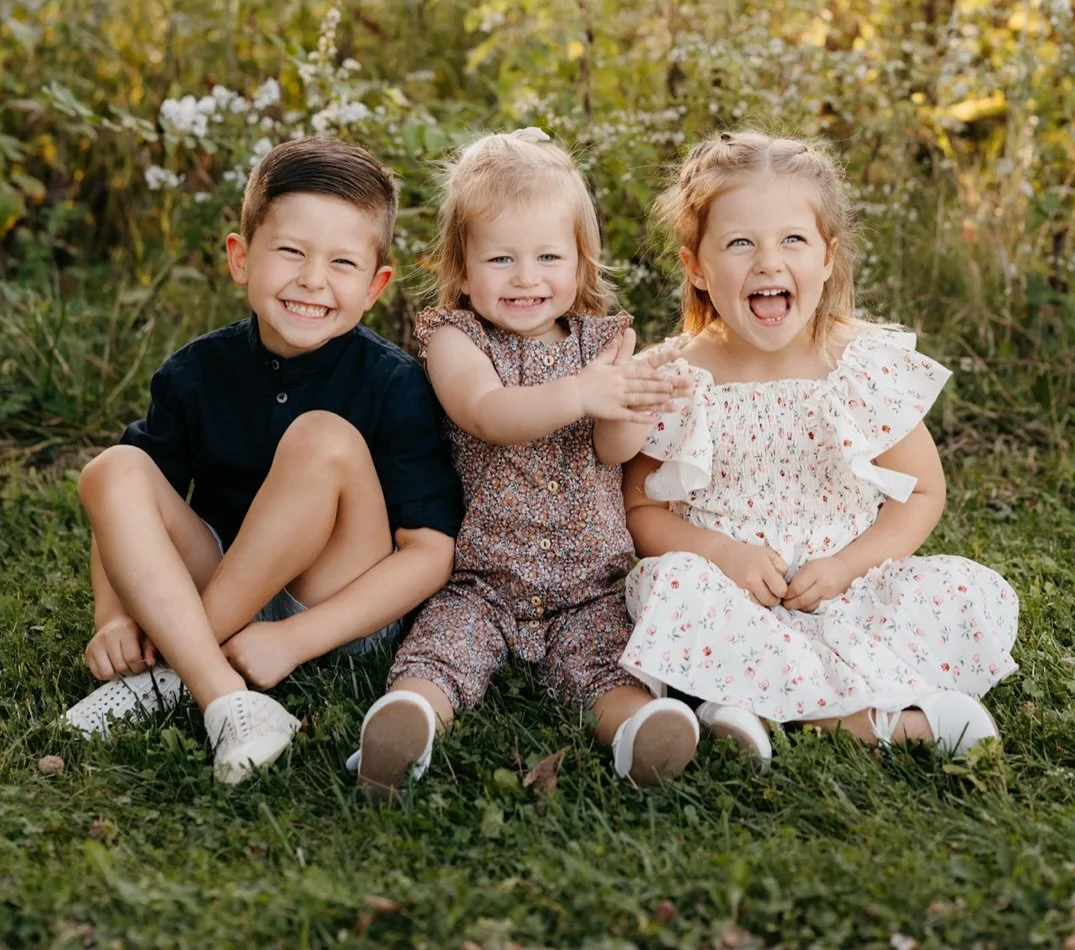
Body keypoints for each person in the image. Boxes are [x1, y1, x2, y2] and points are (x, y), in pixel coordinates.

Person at [64, 136, 463, 784]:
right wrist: (111, 617)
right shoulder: (195, 371)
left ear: (374, 286)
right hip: (222, 574)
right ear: (240, 257)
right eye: (291, 252)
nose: (313, 279)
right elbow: (125, 510)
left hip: (330, 598)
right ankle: (224, 696)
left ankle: (170, 669)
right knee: (113, 468)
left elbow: (429, 553)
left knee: (321, 439)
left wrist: (293, 640)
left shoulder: (395, 383)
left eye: (342, 262)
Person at [620, 130, 1019, 767]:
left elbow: (922, 490)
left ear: (828, 257)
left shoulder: (856, 365)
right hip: (733, 593)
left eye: (793, 240)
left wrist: (846, 568)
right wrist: (720, 553)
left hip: (848, 584)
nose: (768, 263)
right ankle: (879, 724)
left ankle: (746, 708)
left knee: (963, 592)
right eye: (740, 243)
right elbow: (640, 506)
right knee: (670, 586)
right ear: (695, 266)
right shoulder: (679, 377)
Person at [347, 128, 700, 800]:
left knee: (607, 665)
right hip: (484, 576)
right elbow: (487, 412)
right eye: (501, 258)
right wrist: (583, 393)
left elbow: (613, 450)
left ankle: (637, 732)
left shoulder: (605, 341)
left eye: (548, 257)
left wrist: (638, 398)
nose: (527, 277)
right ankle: (408, 721)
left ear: (580, 263)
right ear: (462, 268)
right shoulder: (456, 339)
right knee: (444, 650)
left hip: (590, 582)